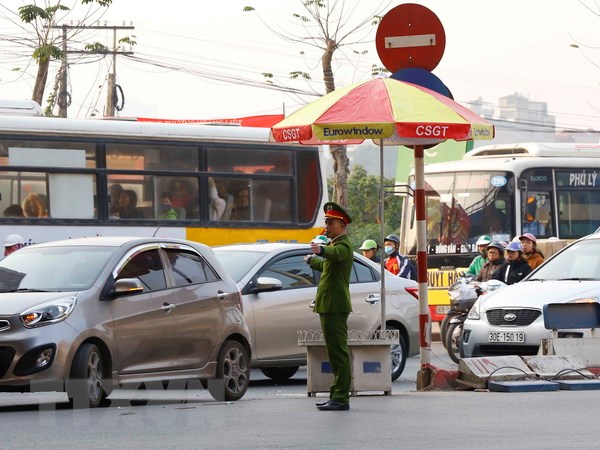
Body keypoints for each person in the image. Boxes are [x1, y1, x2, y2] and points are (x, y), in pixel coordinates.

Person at [305, 202, 353, 411]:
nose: (327, 226)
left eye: (330, 222)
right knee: (334, 353)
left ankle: (341, 398)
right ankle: (336, 395)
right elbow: (326, 263)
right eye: (326, 222)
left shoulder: (343, 246)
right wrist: (311, 260)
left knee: (339, 353)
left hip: (335, 306)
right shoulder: (334, 245)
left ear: (342, 225)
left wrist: (322, 249)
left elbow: (335, 255)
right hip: (328, 305)